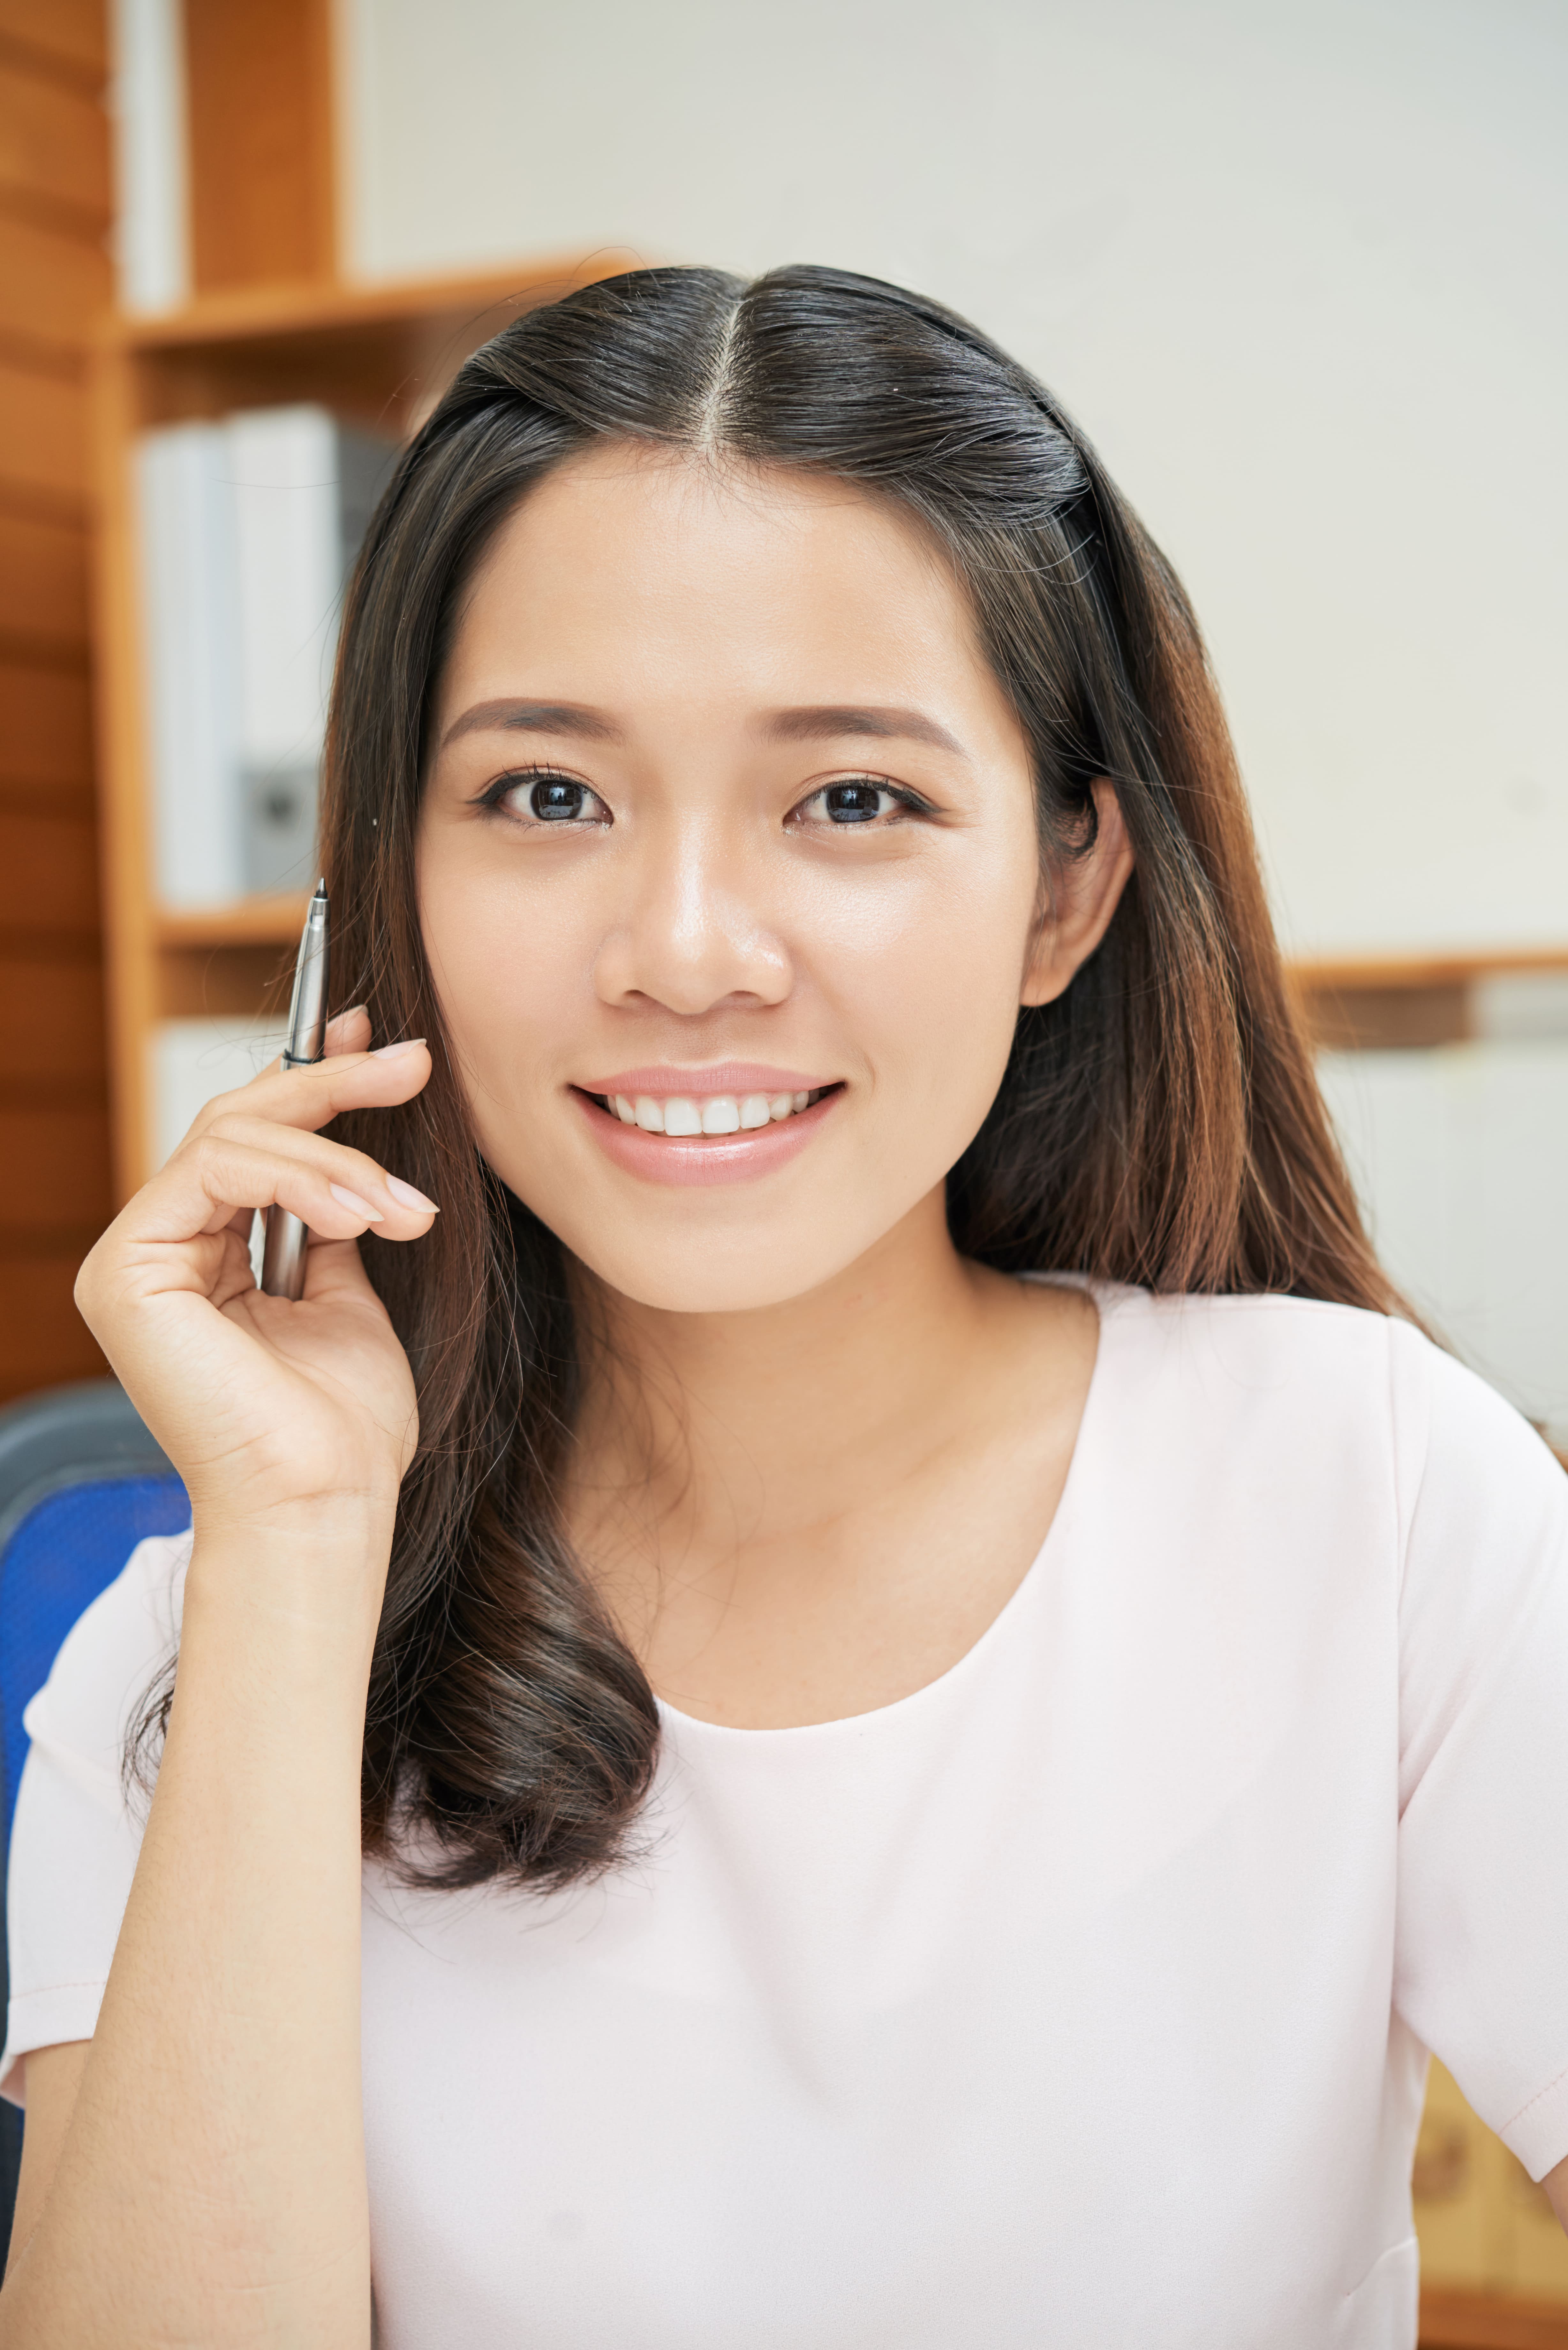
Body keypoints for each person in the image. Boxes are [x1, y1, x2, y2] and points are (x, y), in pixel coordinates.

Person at [2, 265, 1565, 2350]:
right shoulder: (199, 1650)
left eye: (853, 798)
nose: (684, 950)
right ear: (394, 876)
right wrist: (291, 1564)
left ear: (1066, 889)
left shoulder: (1366, 1490)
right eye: (549, 796)